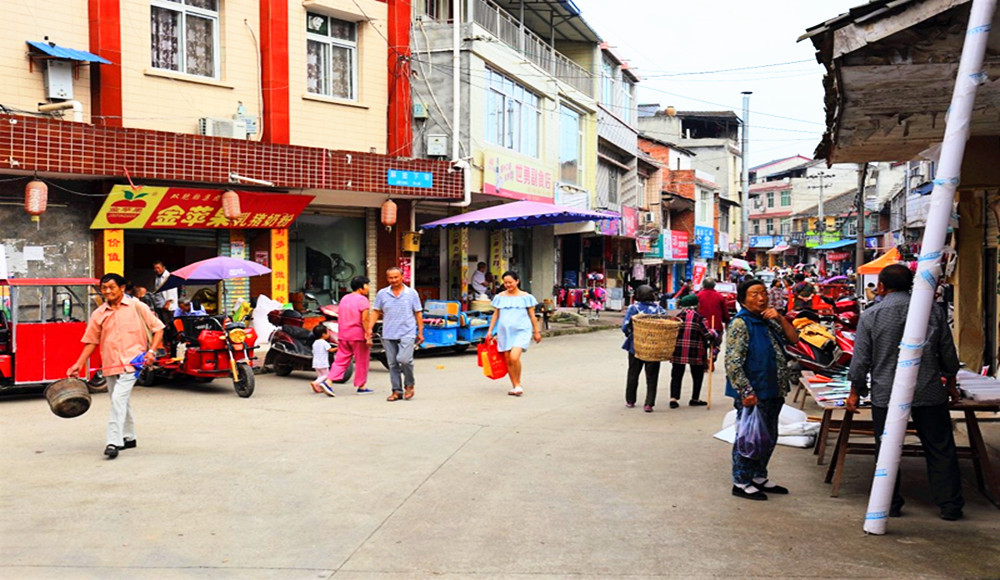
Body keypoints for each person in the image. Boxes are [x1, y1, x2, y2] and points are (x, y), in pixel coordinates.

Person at [846, 264, 963, 520]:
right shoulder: (932, 310)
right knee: (940, 447)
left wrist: (855, 390)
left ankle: (890, 503)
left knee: (887, 447)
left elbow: (861, 359)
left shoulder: (871, 314)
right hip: (928, 390)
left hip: (886, 393)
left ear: (881, 287)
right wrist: (951, 382)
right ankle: (950, 504)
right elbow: (947, 352)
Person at [67, 273, 165, 460]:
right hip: (110, 363)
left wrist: (151, 351)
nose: (107, 291)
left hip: (134, 362)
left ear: (122, 288)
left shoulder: (137, 306)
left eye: (111, 287)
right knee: (120, 399)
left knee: (118, 399)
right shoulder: (99, 313)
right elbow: (91, 341)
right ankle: (130, 437)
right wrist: (78, 364)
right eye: (104, 288)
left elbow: (158, 328)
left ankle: (113, 441)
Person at [725, 278, 799, 500]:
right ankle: (741, 481)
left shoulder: (768, 319)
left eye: (763, 293)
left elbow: (793, 339)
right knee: (748, 437)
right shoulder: (741, 324)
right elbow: (733, 362)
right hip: (754, 392)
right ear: (743, 299)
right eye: (754, 294)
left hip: (773, 389)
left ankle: (758, 476)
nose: (761, 298)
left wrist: (780, 317)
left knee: (768, 436)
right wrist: (746, 392)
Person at [369, 267, 423, 402]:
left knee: (404, 359)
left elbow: (418, 313)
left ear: (402, 277)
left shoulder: (411, 293)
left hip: (407, 332)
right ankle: (396, 391)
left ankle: (409, 385)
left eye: (396, 277)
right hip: (389, 332)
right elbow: (376, 311)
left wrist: (420, 332)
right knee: (392, 363)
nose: (393, 280)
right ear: (387, 279)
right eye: (390, 278)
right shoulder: (382, 293)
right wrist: (369, 329)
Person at [487, 270, 542, 397]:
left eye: (510, 282)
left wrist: (536, 332)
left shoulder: (526, 297)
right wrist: (490, 331)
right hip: (504, 332)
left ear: (517, 281)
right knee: (507, 360)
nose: (508, 285)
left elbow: (532, 316)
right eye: (505, 283)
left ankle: (518, 384)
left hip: (522, 331)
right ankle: (515, 385)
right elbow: (496, 314)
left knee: (514, 357)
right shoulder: (500, 297)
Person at [323, 276, 373, 395]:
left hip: (343, 334)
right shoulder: (362, 300)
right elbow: (365, 319)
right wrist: (368, 335)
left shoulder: (344, 298)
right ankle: (361, 386)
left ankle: (328, 381)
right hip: (358, 335)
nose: (369, 288)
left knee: (341, 360)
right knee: (362, 361)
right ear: (362, 286)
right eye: (367, 285)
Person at [621, 284, 666, 412]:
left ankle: (630, 400)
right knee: (652, 376)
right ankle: (649, 403)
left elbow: (625, 327)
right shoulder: (659, 309)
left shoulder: (633, 308)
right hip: (654, 346)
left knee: (633, 373)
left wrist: (632, 335)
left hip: (636, 346)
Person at [670, 294, 714, 408]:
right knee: (697, 374)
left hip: (678, 351)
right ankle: (695, 398)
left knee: (676, 374)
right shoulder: (700, 318)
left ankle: (673, 398)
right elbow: (707, 334)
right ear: (696, 305)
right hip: (695, 351)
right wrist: (713, 333)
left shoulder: (677, 318)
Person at [310, 325, 335, 396]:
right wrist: (338, 348)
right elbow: (330, 350)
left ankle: (318, 387)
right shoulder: (324, 342)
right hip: (323, 363)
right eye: (328, 332)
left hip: (315, 363)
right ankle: (315, 383)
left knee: (320, 375)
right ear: (324, 334)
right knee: (326, 375)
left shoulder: (315, 343)